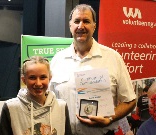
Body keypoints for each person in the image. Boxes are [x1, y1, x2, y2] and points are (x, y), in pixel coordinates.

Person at [49, 4, 136, 135]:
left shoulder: (113, 57)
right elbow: (48, 100)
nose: (81, 26)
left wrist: (109, 118)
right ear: (70, 26)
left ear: (94, 26)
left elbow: (130, 101)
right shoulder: (57, 60)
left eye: (86, 21)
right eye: (77, 21)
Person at [0, 56, 72, 135]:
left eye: (43, 77)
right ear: (24, 80)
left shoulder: (61, 107)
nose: (38, 83)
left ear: (50, 78)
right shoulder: (11, 108)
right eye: (32, 78)